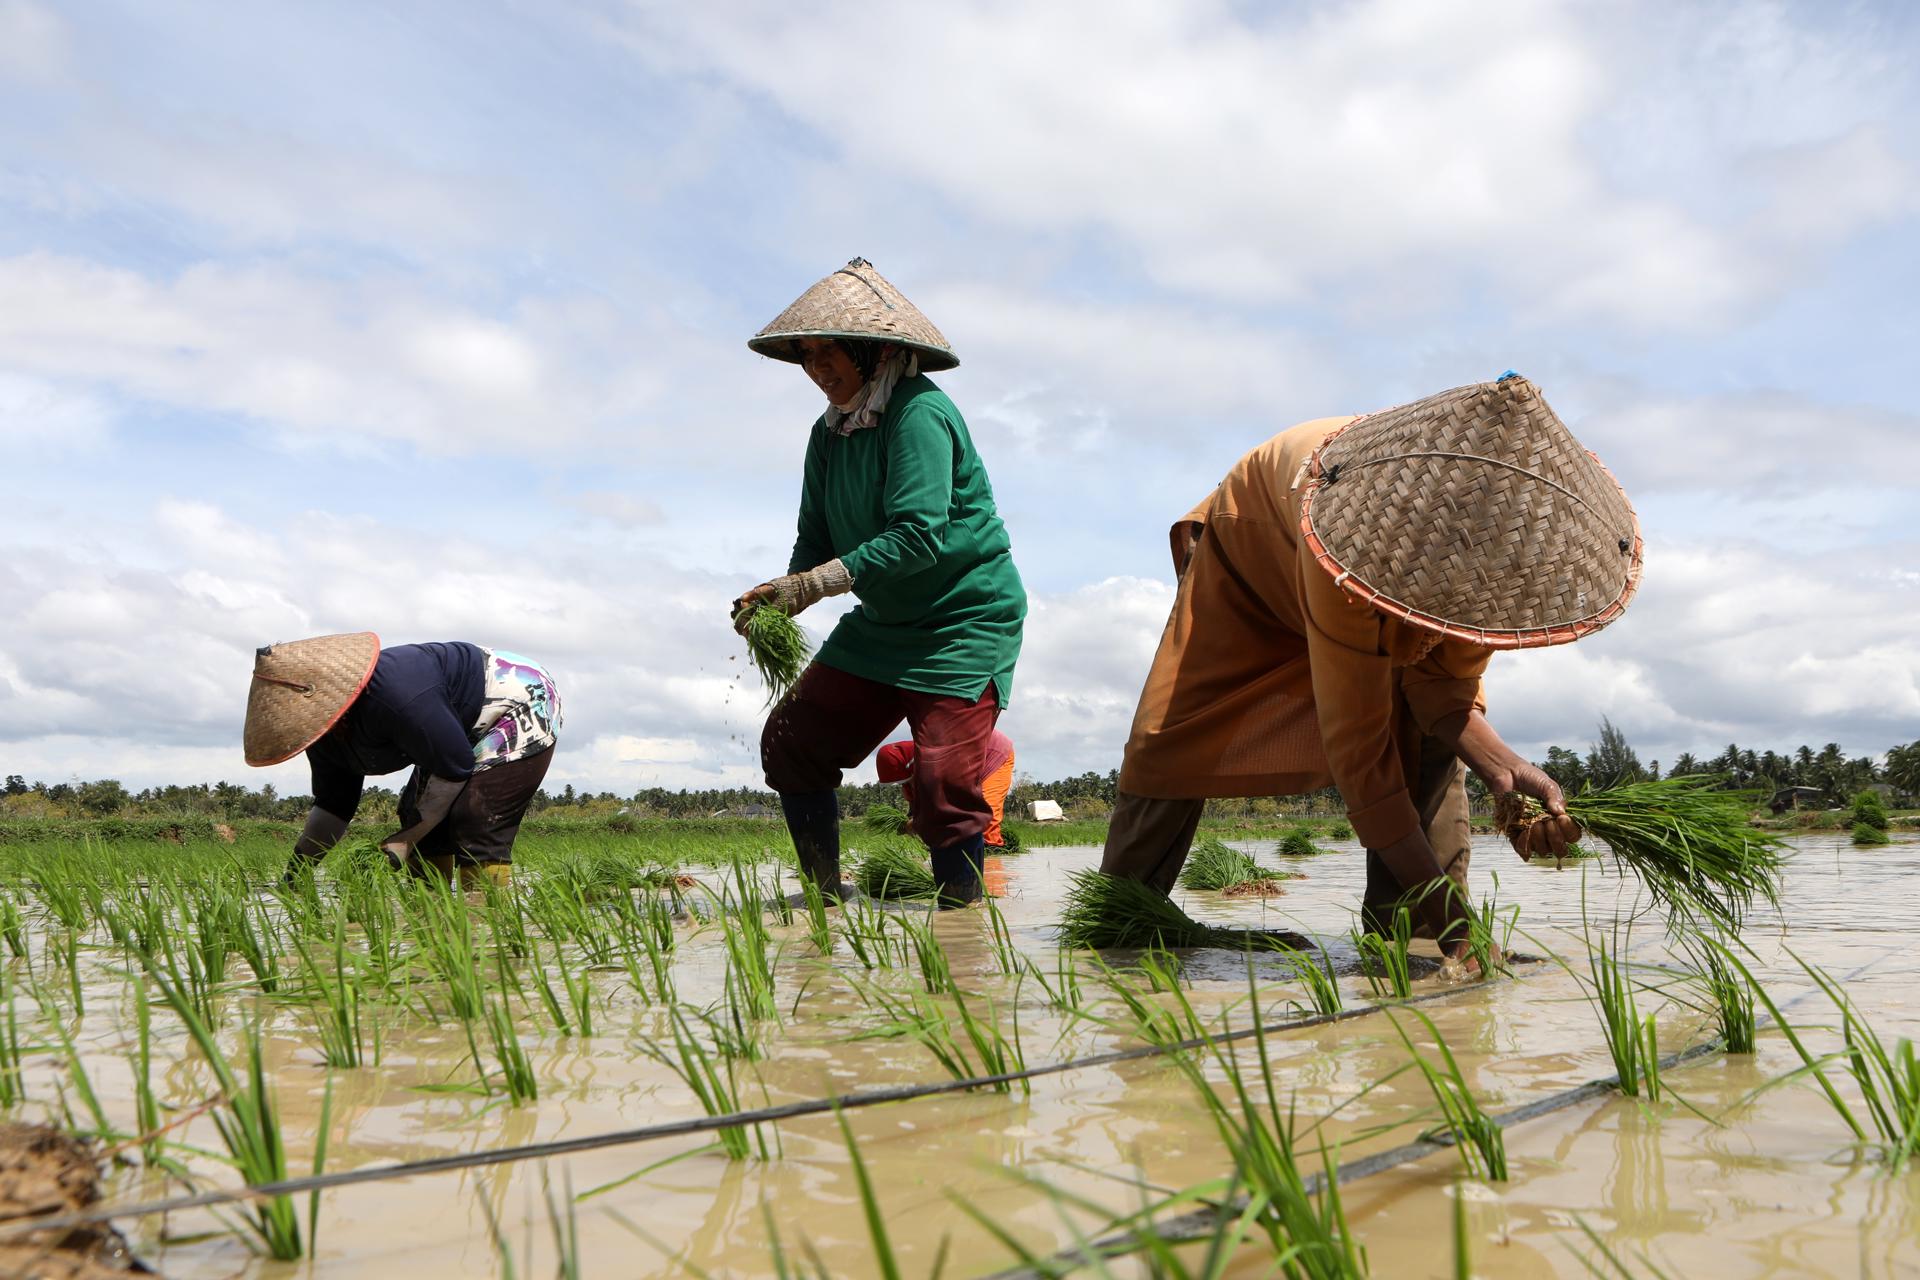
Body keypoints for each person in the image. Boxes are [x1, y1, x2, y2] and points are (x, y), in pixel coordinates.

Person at [1098, 374, 1642, 961]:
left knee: (1429, 746)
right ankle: (1123, 919)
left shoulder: (1494, 573)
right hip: (1253, 559)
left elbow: (1444, 694)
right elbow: (1361, 760)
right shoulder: (1350, 543)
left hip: (1357, 557)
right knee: (1173, 736)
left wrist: (1506, 769)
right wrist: (1466, 931)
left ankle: (1413, 938)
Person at [734, 258, 1026, 909]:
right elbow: (816, 540)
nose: (817, 370)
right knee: (792, 744)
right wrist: (779, 598)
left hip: (963, 620)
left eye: (828, 353)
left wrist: (814, 586)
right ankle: (824, 898)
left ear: (872, 349)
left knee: (945, 781)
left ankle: (962, 919)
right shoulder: (830, 434)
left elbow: (920, 535)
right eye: (805, 358)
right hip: (885, 625)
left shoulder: (917, 413)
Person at [243, 633, 562, 887]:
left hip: (518, 699)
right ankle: (430, 924)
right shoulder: (323, 733)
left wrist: (405, 841)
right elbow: (334, 807)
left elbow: (454, 768)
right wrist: (295, 876)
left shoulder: (395, 695)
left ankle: (484, 927)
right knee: (415, 814)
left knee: (475, 817)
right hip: (453, 727)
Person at [876, 730, 1017, 850]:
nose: (906, 785)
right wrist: (910, 820)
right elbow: (916, 806)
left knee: (986, 813)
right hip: (968, 759)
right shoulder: (909, 776)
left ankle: (992, 854)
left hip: (994, 751)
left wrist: (917, 823)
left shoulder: (935, 762)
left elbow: (950, 804)